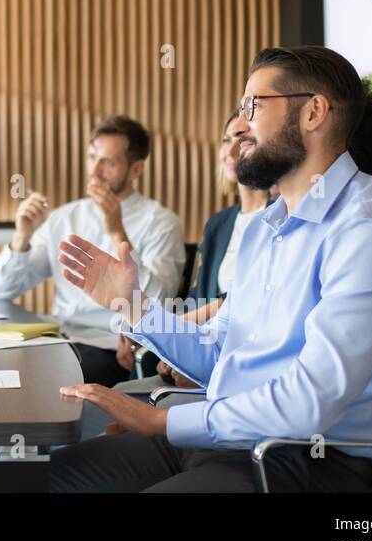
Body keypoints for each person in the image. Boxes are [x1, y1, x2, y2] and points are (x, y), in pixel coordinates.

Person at [51, 46, 372, 492]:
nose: (240, 125)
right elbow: (221, 355)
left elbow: (309, 402)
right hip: (236, 437)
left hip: (314, 461)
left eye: (254, 105)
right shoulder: (266, 228)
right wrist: (134, 306)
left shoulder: (370, 231)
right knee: (44, 478)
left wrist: (161, 422)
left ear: (313, 112)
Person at [0, 115, 186, 492]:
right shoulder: (65, 217)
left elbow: (160, 300)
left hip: (106, 346)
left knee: (33, 390)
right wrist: (21, 238)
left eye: (109, 161)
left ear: (136, 168)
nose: (96, 170)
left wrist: (114, 229)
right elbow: (5, 288)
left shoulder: (161, 223)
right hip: (57, 338)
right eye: (92, 157)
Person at [113, 112, 271, 398]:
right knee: (121, 390)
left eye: (244, 139)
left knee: (126, 396)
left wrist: (165, 332)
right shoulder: (219, 224)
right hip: (205, 345)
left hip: (238, 356)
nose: (231, 150)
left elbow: (248, 301)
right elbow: (196, 299)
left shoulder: (279, 218)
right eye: (226, 140)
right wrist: (158, 336)